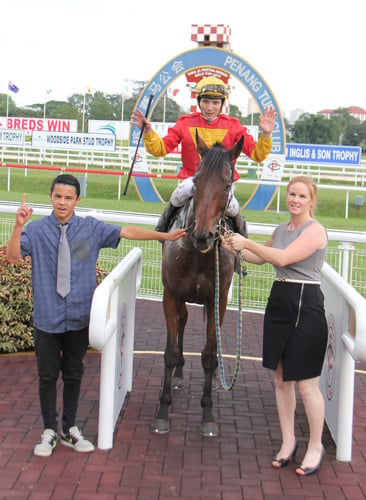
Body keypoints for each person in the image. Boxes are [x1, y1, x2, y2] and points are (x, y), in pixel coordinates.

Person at [6, 174, 186, 458]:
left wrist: (164, 236)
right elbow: (14, 257)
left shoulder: (90, 229)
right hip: (48, 318)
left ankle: (70, 428)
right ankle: (49, 430)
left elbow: (126, 232)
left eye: (68, 198)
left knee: (74, 373)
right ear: (50, 197)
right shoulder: (37, 231)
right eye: (57, 196)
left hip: (79, 317)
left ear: (77, 200)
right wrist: (18, 227)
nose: (62, 202)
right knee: (47, 375)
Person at [220, 175, 328, 476]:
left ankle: (315, 445)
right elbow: (259, 258)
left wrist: (246, 241)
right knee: (281, 379)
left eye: (302, 196)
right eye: (292, 194)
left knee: (307, 385)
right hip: (279, 301)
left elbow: (282, 257)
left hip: (306, 306)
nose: (295, 200)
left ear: (311, 200)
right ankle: (288, 441)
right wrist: (232, 246)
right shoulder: (281, 229)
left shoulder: (315, 230)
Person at [131, 76, 277, 236]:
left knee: (234, 207)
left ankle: (241, 244)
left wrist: (266, 135)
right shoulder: (185, 123)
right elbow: (161, 149)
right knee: (178, 195)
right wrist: (148, 132)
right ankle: (163, 231)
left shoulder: (234, 126)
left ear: (222, 104)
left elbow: (257, 155)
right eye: (205, 102)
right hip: (192, 181)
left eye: (215, 103)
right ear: (199, 102)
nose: (209, 107)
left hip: (222, 185)